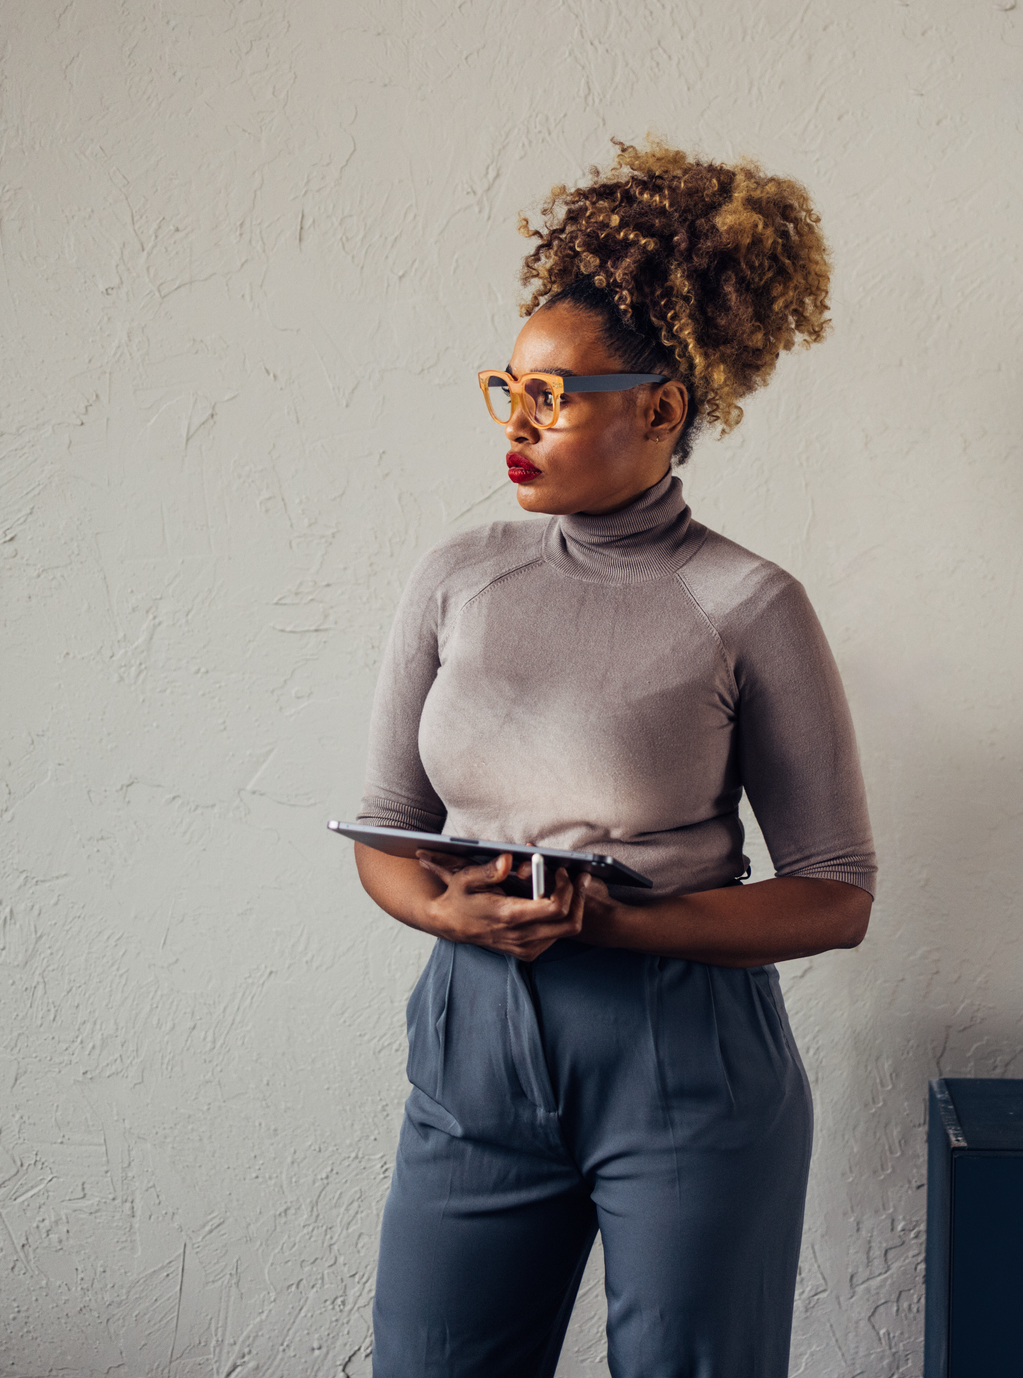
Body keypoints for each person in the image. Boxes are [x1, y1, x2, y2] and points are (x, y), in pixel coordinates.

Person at [352, 139, 877, 1378]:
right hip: (470, 1052)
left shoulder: (746, 603)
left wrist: (611, 927)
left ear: (659, 407)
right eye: (509, 389)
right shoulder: (455, 577)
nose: (518, 425)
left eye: (557, 396)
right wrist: (446, 908)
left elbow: (838, 893)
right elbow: (382, 826)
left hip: (682, 1061)